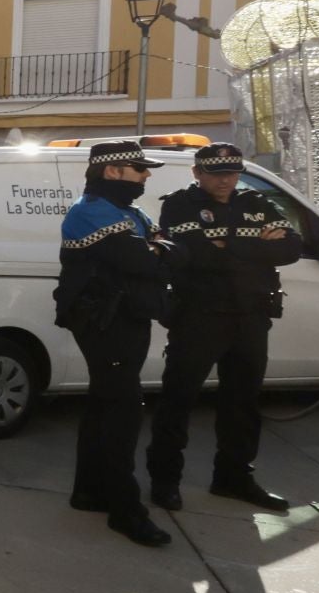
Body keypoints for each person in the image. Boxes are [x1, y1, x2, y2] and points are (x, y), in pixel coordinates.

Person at [147, 143, 300, 512]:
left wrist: (224, 245)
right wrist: (252, 244)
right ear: (197, 173)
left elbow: (292, 247)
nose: (225, 180)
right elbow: (192, 253)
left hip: (250, 318)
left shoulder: (257, 202)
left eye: (232, 172)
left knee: (243, 405)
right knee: (178, 401)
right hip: (199, 317)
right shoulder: (179, 204)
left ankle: (234, 479)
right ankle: (165, 481)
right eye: (216, 173)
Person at [54, 141, 179, 548]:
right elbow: (146, 261)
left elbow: (167, 250)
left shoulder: (129, 213)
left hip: (125, 319)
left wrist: (157, 247)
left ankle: (88, 491)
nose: (146, 176)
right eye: (138, 169)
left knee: (103, 406)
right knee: (122, 413)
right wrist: (157, 248)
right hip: (105, 323)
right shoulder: (90, 210)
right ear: (112, 172)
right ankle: (126, 511)